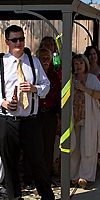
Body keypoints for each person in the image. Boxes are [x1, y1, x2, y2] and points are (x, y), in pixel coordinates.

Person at [0, 25, 62, 200]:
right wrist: (3, 102)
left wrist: (34, 88)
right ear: (7, 42)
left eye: (21, 39)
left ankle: (48, 199)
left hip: (30, 120)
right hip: (6, 120)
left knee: (38, 161)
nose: (18, 43)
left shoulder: (34, 62)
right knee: (9, 163)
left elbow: (46, 87)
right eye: (14, 40)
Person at [69, 53, 100, 188]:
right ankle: (73, 176)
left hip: (88, 117)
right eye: (76, 63)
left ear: (86, 65)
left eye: (81, 63)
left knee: (87, 147)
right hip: (73, 118)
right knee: (73, 147)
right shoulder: (71, 79)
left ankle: (84, 176)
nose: (78, 66)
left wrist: (85, 89)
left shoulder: (92, 79)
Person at [36, 47, 61, 178]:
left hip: (50, 114)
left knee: (49, 146)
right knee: (35, 146)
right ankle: (32, 175)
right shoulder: (33, 75)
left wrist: (60, 117)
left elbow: (58, 98)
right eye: (43, 58)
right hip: (35, 115)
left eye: (47, 58)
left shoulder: (54, 77)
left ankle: (46, 175)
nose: (45, 60)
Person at [85, 45, 100, 159]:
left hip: (99, 103)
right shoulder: (84, 70)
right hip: (87, 103)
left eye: (94, 54)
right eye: (90, 54)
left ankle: (99, 155)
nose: (92, 56)